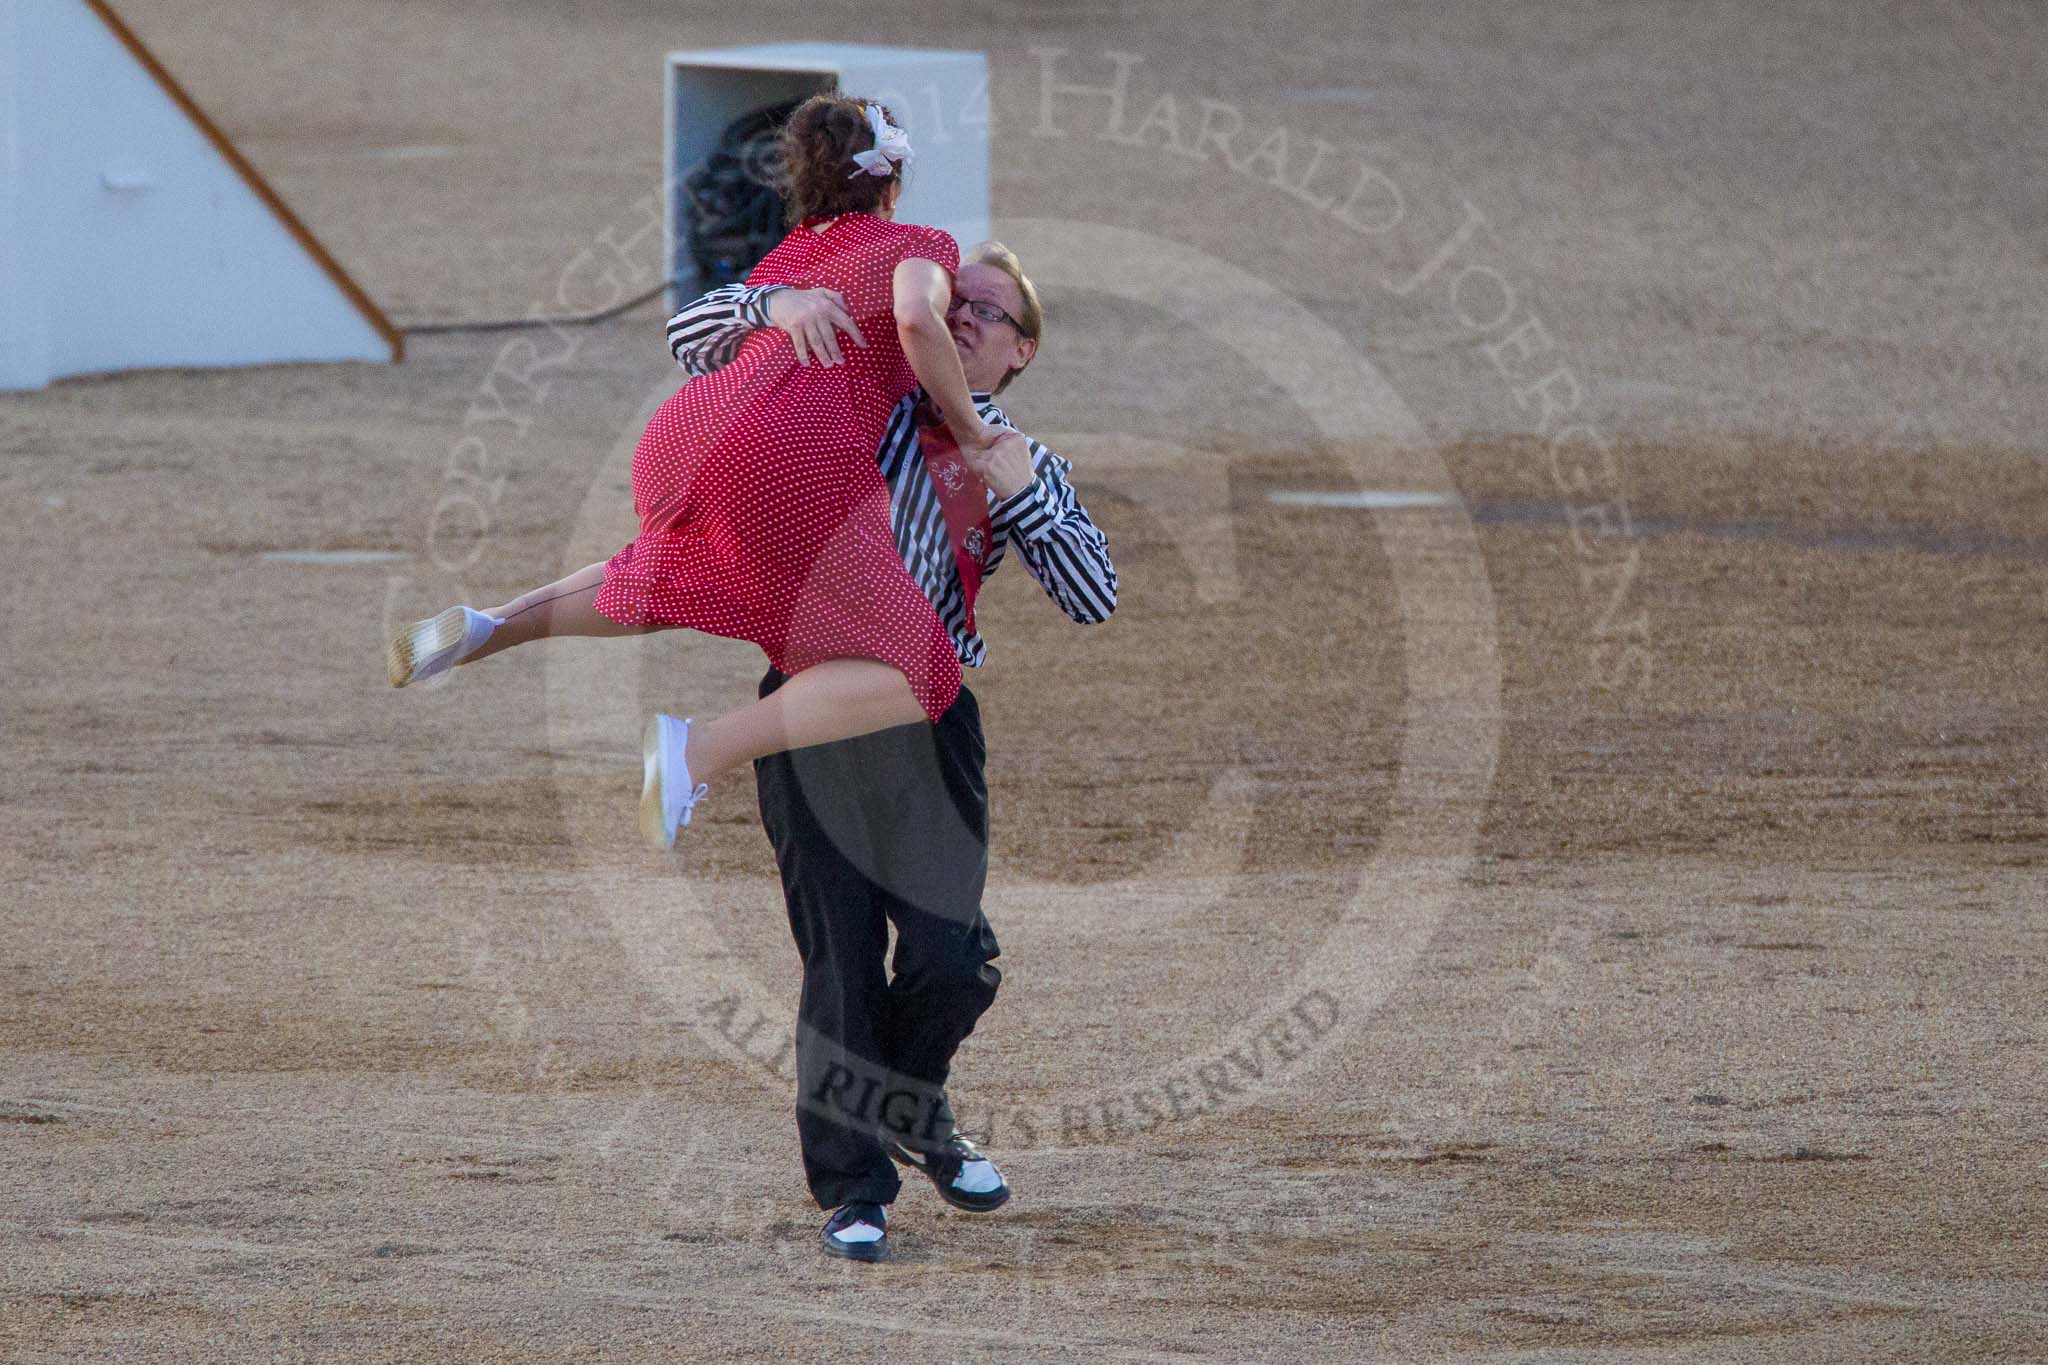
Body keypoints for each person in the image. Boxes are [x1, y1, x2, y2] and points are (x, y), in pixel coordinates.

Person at [384, 95, 1032, 853]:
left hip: (686, 432)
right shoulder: (918, 241)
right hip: (791, 453)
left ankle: (481, 629)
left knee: (669, 572)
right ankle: (696, 751)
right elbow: (919, 319)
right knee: (923, 670)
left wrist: (776, 303)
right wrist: (972, 426)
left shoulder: (787, 256)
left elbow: (694, 331)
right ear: (891, 184)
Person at [665, 241, 1116, 1261]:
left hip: (930, 717)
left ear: (1022, 352)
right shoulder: (852, 397)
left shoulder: (1019, 457)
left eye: (990, 315)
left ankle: (912, 1102)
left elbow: (1092, 597)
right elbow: (690, 335)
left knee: (955, 959)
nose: (966, 320)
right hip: (809, 708)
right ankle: (852, 1191)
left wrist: (1017, 489)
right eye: (959, 303)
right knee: (840, 963)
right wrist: (776, 303)